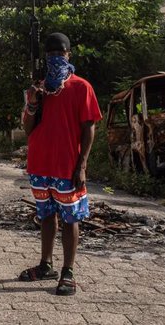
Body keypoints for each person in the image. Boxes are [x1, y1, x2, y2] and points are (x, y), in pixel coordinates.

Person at [18, 32, 102, 296]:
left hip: (67, 166)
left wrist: (82, 165)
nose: (56, 58)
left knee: (70, 218)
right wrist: (33, 103)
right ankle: (46, 265)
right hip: (40, 164)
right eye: (51, 54)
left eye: (60, 53)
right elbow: (28, 128)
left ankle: (68, 271)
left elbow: (89, 127)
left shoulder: (81, 87)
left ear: (69, 55)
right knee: (45, 216)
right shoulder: (38, 88)